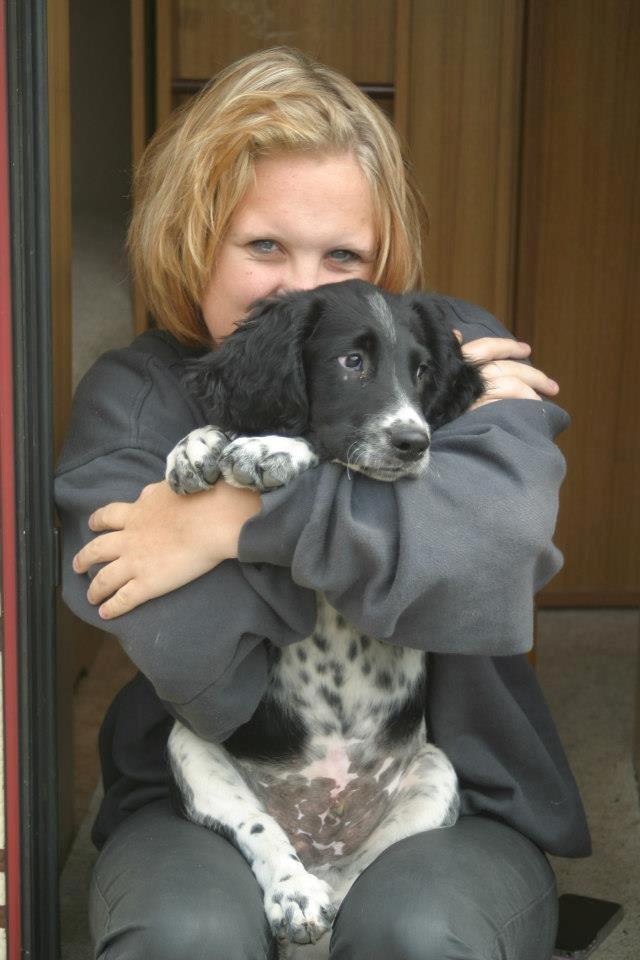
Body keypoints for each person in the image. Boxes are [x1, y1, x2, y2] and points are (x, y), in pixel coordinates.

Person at [55, 46, 590, 960]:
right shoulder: (132, 400)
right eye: (265, 245)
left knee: (416, 936)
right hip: (207, 793)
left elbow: (493, 559)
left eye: (343, 253)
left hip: (443, 792)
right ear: (194, 236)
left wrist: (233, 523)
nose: (305, 288)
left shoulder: (445, 351)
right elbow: (185, 640)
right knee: (186, 940)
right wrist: (404, 547)